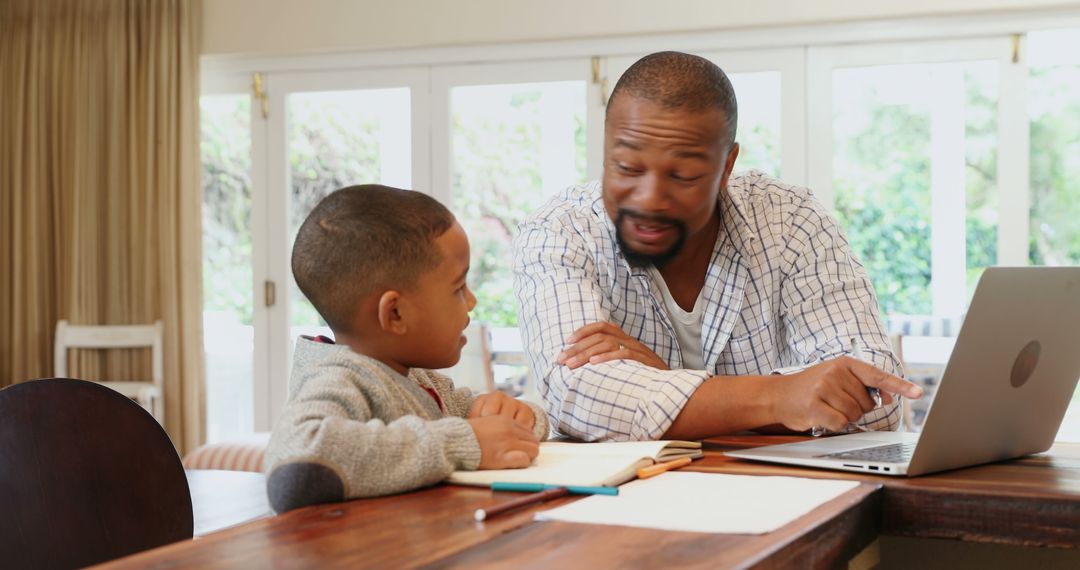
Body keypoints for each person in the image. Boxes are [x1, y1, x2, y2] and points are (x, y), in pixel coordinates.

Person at [512, 51, 923, 442]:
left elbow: (877, 397)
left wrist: (665, 383)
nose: (650, 199)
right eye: (627, 168)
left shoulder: (791, 220)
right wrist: (781, 398)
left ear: (726, 166)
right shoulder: (560, 231)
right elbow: (579, 397)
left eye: (684, 175)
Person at [266, 184, 548, 513]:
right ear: (395, 314)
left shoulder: (419, 381)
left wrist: (520, 418)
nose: (472, 301)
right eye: (459, 288)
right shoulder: (339, 379)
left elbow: (474, 421)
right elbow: (296, 468)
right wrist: (465, 442)